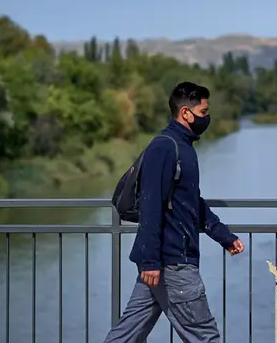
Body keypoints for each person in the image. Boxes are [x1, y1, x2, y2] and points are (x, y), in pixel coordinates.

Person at [104, 81, 244, 342]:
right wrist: (150, 262)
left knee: (126, 336)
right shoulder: (165, 147)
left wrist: (225, 236)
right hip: (173, 264)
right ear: (185, 113)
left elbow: (192, 202)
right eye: (203, 113)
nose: (207, 118)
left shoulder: (184, 148)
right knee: (205, 336)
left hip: (166, 263)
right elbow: (151, 205)